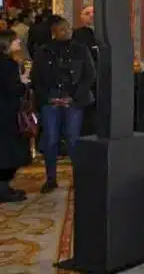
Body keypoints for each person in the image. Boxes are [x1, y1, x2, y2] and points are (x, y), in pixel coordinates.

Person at [30, 16, 96, 193]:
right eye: (62, 29)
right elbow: (36, 79)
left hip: (73, 100)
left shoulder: (81, 50)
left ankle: (78, 178)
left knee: (73, 140)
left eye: (68, 29)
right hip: (50, 99)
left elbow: (90, 75)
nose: (67, 32)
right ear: (54, 33)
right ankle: (51, 178)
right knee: (51, 139)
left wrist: (73, 97)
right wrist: (48, 98)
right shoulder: (43, 51)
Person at [0, 29, 31, 203]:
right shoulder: (9, 65)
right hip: (7, 113)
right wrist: (24, 82)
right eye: (15, 40)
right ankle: (3, 189)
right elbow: (14, 89)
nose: (19, 42)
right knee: (8, 153)